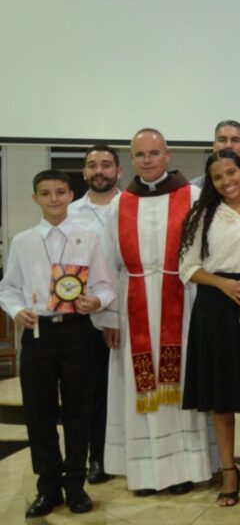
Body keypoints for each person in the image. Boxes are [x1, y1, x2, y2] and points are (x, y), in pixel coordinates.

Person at [94, 128, 213, 495]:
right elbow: (107, 265)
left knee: (182, 386)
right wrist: (109, 318)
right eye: (140, 155)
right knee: (138, 390)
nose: (148, 160)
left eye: (154, 153)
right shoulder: (120, 204)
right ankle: (145, 473)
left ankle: (184, 470)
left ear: (167, 155)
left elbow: (207, 252)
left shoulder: (192, 196)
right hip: (133, 305)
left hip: (183, 300)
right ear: (131, 159)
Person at [0, 170, 115, 517]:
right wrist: (17, 310)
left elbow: (105, 286)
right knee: (39, 412)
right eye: (46, 193)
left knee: (79, 410)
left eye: (60, 192)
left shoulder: (89, 238)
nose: (54, 199)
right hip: (38, 332)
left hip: (78, 332)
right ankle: (48, 487)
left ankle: (75, 484)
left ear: (70, 195)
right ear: (35, 198)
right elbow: (8, 288)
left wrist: (96, 301)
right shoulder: (23, 241)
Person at [179, 150, 240, 505]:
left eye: (231, 172)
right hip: (216, 307)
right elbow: (188, 267)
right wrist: (225, 285)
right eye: (218, 177)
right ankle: (229, 470)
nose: (226, 181)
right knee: (221, 398)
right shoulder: (202, 215)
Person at [67, 145, 121, 486]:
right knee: (92, 391)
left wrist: (113, 316)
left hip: (129, 314)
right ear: (84, 172)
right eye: (92, 165)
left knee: (125, 390)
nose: (99, 170)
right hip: (82, 318)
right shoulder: (70, 213)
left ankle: (127, 454)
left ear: (119, 170)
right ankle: (97, 457)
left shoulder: (131, 206)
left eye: (106, 164)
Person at [190, 119, 240, 189]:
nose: (228, 145)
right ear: (214, 146)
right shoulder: (194, 188)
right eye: (222, 140)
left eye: (235, 140)